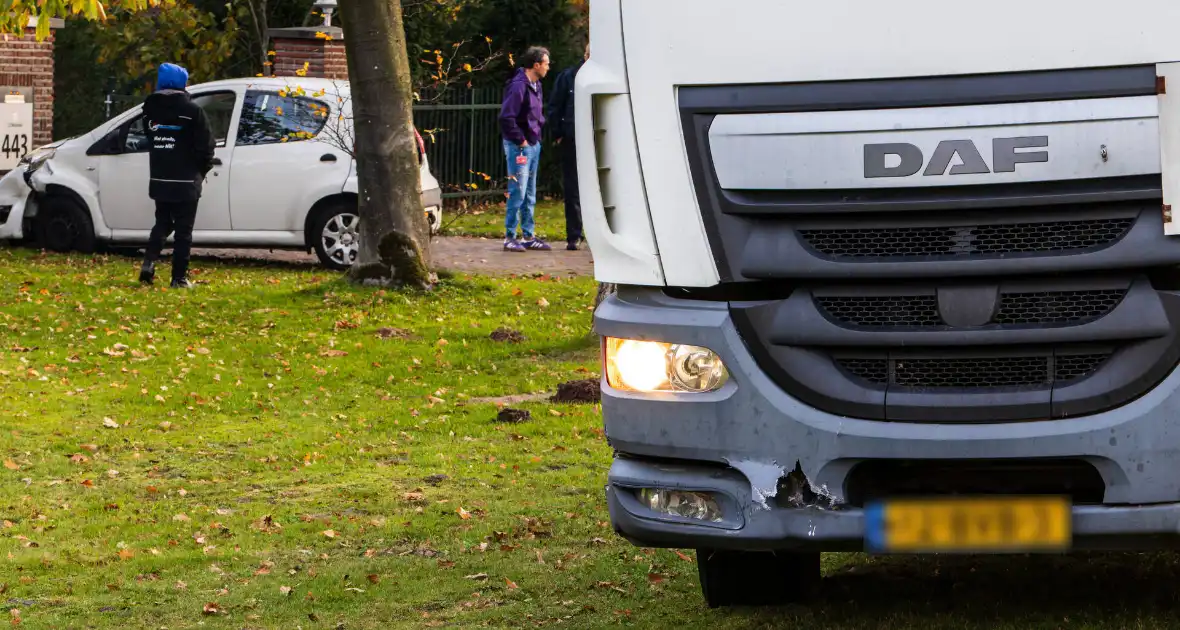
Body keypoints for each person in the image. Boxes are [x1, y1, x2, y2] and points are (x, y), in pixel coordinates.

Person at [138, 62, 216, 288]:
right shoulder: (193, 111)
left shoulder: (149, 110)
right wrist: (202, 170)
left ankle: (148, 263)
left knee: (162, 222)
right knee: (183, 231)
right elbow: (206, 146)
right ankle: (179, 278)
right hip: (186, 180)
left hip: (160, 177)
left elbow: (151, 138)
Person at [498, 46, 551, 252]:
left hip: (533, 144)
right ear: (536, 65)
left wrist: (536, 136)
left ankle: (528, 235)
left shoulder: (536, 85)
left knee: (529, 192)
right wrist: (521, 141)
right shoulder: (518, 86)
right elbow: (506, 117)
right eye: (546, 63)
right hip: (520, 147)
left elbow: (535, 114)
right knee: (517, 191)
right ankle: (510, 236)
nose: (548, 67)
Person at [547, 42, 589, 251]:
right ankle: (574, 235)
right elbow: (555, 106)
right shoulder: (569, 77)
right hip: (573, 138)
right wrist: (559, 134)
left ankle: (581, 235)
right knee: (573, 187)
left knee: (583, 188)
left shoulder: (573, 76)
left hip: (588, 138)